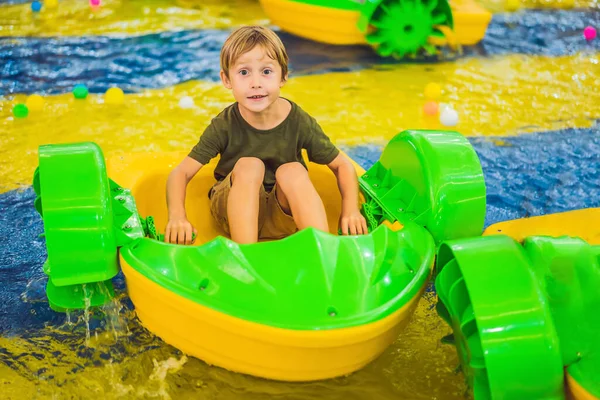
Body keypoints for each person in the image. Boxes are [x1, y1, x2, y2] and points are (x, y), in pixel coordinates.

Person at [165, 25, 367, 245]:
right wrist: (177, 217)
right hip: (234, 214)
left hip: (282, 217)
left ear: (283, 76)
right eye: (244, 72)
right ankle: (247, 256)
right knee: (250, 166)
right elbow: (180, 174)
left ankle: (325, 251)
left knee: (293, 170)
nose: (256, 83)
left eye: (266, 71)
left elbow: (342, 165)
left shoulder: (298, 120)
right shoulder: (225, 124)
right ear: (227, 80)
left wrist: (351, 211)